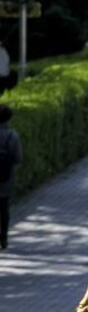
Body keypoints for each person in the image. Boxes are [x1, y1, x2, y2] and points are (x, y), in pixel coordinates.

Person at [0, 103, 22, 250]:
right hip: (5, 176)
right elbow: (18, 158)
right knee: (4, 207)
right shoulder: (12, 136)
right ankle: (4, 238)